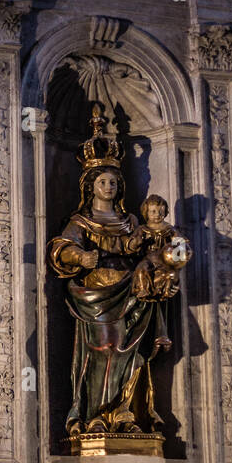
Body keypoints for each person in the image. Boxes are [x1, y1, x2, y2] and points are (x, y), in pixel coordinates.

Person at [47, 107, 174, 445]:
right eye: (102, 180)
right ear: (90, 185)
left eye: (114, 181)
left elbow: (148, 249)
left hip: (130, 293)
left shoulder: (132, 222)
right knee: (102, 350)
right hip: (96, 297)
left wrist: (160, 262)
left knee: (131, 353)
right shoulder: (81, 220)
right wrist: (81, 256)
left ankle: (125, 413)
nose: (109, 185)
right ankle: (93, 415)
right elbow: (61, 248)